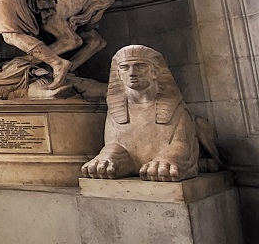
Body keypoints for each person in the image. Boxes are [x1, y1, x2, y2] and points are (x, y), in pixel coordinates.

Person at [82, 45, 220, 181]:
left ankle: (204, 157)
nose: (132, 73)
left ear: (155, 72)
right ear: (118, 74)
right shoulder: (116, 109)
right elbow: (115, 144)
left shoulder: (176, 108)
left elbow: (179, 145)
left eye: (140, 66)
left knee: (200, 125)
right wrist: (107, 157)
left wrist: (168, 159)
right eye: (125, 67)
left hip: (177, 151)